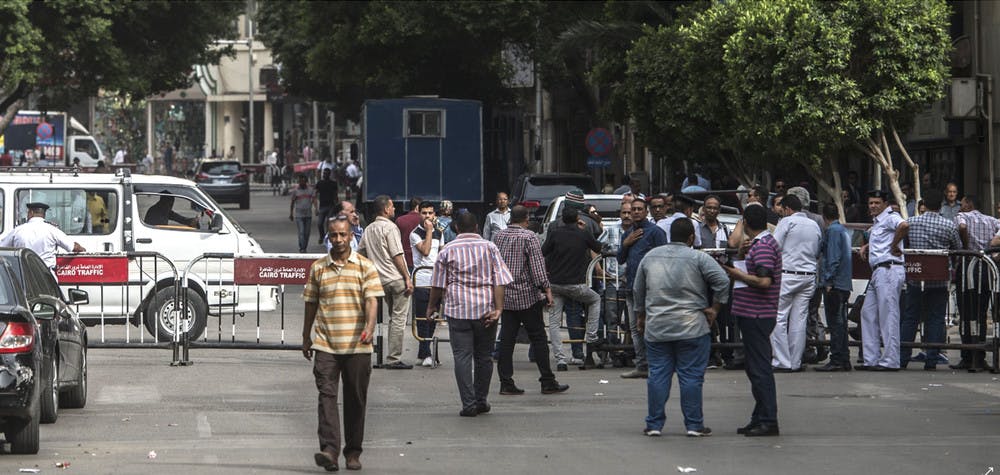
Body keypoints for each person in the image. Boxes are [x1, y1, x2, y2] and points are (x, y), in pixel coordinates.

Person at [303, 216, 383, 472]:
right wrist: (306, 337)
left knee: (355, 399)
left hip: (357, 346)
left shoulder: (365, 266)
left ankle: (353, 452)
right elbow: (310, 304)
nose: (338, 240)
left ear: (351, 236)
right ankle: (329, 450)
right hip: (326, 345)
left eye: (342, 235)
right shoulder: (318, 268)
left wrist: (370, 327)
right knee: (326, 397)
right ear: (328, 237)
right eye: (333, 235)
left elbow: (372, 301)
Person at [635, 218, 729, 438]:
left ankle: (654, 424)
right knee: (691, 377)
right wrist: (714, 309)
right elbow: (722, 281)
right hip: (692, 327)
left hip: (658, 326)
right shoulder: (699, 257)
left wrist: (641, 316)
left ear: (669, 236)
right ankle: (694, 425)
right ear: (691, 238)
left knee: (657, 375)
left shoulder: (650, 257)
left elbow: (638, 290)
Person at [427, 211, 513, 416]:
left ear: (456, 227)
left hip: (458, 311)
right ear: (477, 227)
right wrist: (499, 309)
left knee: (462, 357)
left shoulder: (447, 250)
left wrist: (431, 306)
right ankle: (481, 400)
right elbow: (499, 280)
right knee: (484, 357)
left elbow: (438, 285)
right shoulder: (490, 247)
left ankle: (468, 404)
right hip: (486, 310)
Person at [492, 206, 568, 395]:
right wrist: (547, 289)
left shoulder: (499, 237)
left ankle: (506, 382)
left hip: (506, 295)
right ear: (526, 219)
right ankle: (547, 381)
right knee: (539, 338)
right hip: (527, 295)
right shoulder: (529, 237)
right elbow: (537, 266)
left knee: (507, 340)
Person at [723, 205, 781, 437]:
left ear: (745, 222)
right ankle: (759, 417)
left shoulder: (765, 246)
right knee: (755, 367)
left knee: (760, 369)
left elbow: (764, 281)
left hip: (758, 313)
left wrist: (737, 274)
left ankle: (768, 419)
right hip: (752, 313)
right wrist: (741, 256)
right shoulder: (758, 244)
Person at [894, 189, 960, 371]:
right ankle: (931, 359)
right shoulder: (949, 225)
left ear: (923, 205)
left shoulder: (912, 222)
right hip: (939, 279)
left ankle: (902, 357)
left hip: (915, 277)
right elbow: (958, 249)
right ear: (941, 206)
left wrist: (899, 250)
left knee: (910, 317)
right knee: (936, 318)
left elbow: (901, 236)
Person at [542, 207, 604, 371]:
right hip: (576, 285)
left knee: (554, 323)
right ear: (577, 218)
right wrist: (583, 229)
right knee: (595, 299)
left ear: (562, 218)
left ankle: (560, 360)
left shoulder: (555, 233)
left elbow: (543, 251)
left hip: (555, 284)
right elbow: (598, 247)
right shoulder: (582, 233)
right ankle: (592, 337)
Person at [358, 195, 414, 369]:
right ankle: (393, 358)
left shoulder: (368, 229)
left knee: (383, 317)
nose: (394, 209)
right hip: (396, 279)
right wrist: (407, 277)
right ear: (386, 209)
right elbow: (397, 254)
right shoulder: (390, 228)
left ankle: (367, 352)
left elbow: (360, 253)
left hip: (378, 281)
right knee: (398, 319)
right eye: (392, 207)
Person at [770, 194, 821, 372]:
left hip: (788, 274)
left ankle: (781, 361)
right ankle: (795, 361)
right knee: (799, 320)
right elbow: (816, 250)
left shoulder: (786, 222)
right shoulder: (814, 224)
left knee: (779, 317)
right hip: (808, 276)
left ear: (787, 209)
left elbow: (774, 246)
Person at [857, 190, 906, 371]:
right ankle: (871, 359)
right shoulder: (878, 222)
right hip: (878, 271)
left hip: (889, 268)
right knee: (867, 313)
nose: (873, 206)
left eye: (877, 203)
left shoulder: (891, 216)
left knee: (888, 316)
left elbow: (904, 225)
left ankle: (891, 360)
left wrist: (894, 246)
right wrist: (868, 246)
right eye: (871, 203)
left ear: (885, 204)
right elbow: (882, 239)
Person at [619, 198, 668, 378]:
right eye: (634, 209)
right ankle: (642, 365)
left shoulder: (656, 232)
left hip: (651, 288)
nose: (636, 212)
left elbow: (664, 258)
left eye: (640, 209)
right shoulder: (628, 234)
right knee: (634, 328)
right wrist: (626, 244)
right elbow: (620, 259)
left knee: (650, 327)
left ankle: (656, 365)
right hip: (631, 287)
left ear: (646, 211)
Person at [956, 194, 999, 371]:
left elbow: (962, 227)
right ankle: (979, 355)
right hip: (986, 267)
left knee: (966, 311)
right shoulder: (992, 220)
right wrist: (990, 251)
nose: (960, 205)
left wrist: (967, 248)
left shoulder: (962, 216)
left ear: (968, 203)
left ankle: (968, 355)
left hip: (968, 265)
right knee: (981, 312)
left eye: (962, 202)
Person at [814, 203, 854, 372]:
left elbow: (833, 258)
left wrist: (828, 281)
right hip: (844, 283)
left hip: (835, 284)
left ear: (824, 217)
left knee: (835, 323)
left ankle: (837, 358)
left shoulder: (832, 231)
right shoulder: (843, 230)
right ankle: (843, 358)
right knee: (841, 323)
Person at [0, 202, 86, 269]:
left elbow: (2, 248)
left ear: (31, 212)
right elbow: (73, 247)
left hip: (24, 275)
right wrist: (81, 248)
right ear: (43, 214)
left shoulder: (18, 231)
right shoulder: (52, 230)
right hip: (46, 275)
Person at [410, 201, 443, 367]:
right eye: (424, 213)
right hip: (421, 281)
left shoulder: (439, 232)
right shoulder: (415, 233)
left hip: (436, 282)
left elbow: (441, 254)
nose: (427, 216)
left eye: (430, 213)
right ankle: (428, 354)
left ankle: (423, 353)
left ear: (434, 214)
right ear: (419, 214)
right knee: (423, 319)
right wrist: (429, 231)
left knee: (434, 318)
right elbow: (426, 251)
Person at [289, 174, 317, 253]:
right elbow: (292, 202)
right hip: (299, 215)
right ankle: (302, 248)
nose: (302, 183)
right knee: (301, 232)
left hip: (308, 214)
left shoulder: (310, 190)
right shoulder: (296, 190)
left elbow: (314, 200)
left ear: (306, 181)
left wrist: (316, 209)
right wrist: (291, 213)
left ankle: (304, 246)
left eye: (303, 181)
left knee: (307, 233)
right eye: (300, 181)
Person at [396, 197, 423, 270]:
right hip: (421, 259)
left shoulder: (399, 220)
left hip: (404, 258)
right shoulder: (423, 220)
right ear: (417, 207)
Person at [315, 169, 339, 245]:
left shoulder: (333, 183)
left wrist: (336, 206)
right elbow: (315, 194)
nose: (324, 175)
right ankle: (322, 236)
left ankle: (327, 237)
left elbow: (336, 195)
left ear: (329, 174)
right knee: (319, 223)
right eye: (324, 173)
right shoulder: (320, 183)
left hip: (331, 206)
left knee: (329, 223)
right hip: (322, 206)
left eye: (326, 173)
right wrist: (316, 207)